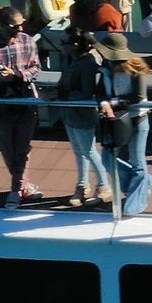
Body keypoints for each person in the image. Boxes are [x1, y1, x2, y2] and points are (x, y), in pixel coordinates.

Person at [0, 6, 43, 208]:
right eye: (16, 26)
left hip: (26, 102)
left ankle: (15, 191)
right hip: (0, 105)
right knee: (8, 150)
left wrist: (17, 75)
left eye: (22, 24)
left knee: (22, 148)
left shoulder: (28, 41)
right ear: (3, 25)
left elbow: (36, 68)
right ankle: (25, 185)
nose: (21, 29)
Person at [94, 32, 152, 216]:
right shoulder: (106, 67)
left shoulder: (137, 68)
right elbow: (100, 92)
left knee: (138, 162)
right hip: (115, 121)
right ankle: (145, 182)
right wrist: (104, 103)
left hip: (138, 119)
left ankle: (136, 203)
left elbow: (137, 96)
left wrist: (114, 103)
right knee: (107, 159)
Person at [52, 28, 110, 207]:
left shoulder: (88, 64)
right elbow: (63, 82)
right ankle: (83, 186)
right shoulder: (70, 59)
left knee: (90, 152)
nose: (61, 45)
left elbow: (87, 93)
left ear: (75, 45)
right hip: (69, 113)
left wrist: (60, 95)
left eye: (64, 43)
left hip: (83, 114)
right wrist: (55, 92)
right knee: (79, 152)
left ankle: (104, 187)